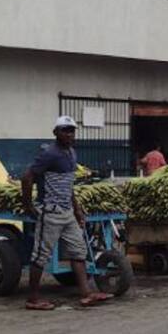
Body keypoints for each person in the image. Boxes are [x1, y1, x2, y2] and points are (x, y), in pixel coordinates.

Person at [21, 116, 108, 311]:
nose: (69, 134)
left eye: (71, 130)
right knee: (40, 256)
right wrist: (28, 205)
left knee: (79, 251)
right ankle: (33, 299)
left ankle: (85, 293)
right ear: (56, 133)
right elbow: (27, 178)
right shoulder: (49, 154)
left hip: (67, 212)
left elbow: (69, 186)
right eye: (64, 130)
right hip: (51, 212)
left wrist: (77, 210)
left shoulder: (71, 153)